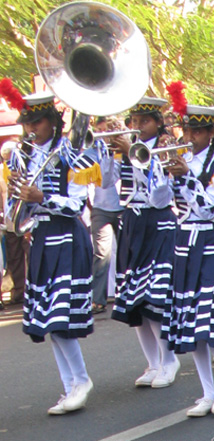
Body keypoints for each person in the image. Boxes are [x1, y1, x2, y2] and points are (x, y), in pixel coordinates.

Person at [1, 86, 99, 414]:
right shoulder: (22, 154)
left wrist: (42, 198)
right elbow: (17, 209)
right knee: (47, 320)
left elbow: (76, 204)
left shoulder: (72, 152)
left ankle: (81, 379)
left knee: (60, 317)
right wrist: (18, 199)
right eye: (28, 123)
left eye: (38, 123)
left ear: (52, 122)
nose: (32, 129)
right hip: (42, 238)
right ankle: (71, 384)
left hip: (69, 237)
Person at [162, 83, 214, 417]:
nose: (191, 136)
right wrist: (164, 175)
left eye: (198, 130)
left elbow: (209, 207)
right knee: (191, 318)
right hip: (187, 243)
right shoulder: (182, 161)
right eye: (188, 129)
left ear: (212, 132)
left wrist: (186, 179)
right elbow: (164, 200)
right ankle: (206, 390)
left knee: (213, 320)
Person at [108, 97, 181, 389]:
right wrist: (107, 152)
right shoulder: (126, 150)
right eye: (134, 122)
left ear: (157, 122)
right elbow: (104, 182)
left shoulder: (165, 150)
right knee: (134, 302)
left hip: (159, 223)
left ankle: (169, 359)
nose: (138, 127)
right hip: (132, 223)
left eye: (144, 121)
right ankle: (152, 363)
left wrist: (136, 157)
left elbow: (160, 195)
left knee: (154, 300)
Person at [88, 117, 125, 314]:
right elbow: (103, 180)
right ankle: (98, 299)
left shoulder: (126, 148)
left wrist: (119, 146)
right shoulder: (92, 151)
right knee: (101, 254)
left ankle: (125, 294)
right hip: (101, 207)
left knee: (126, 253)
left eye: (107, 130)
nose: (104, 134)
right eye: (101, 130)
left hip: (124, 206)